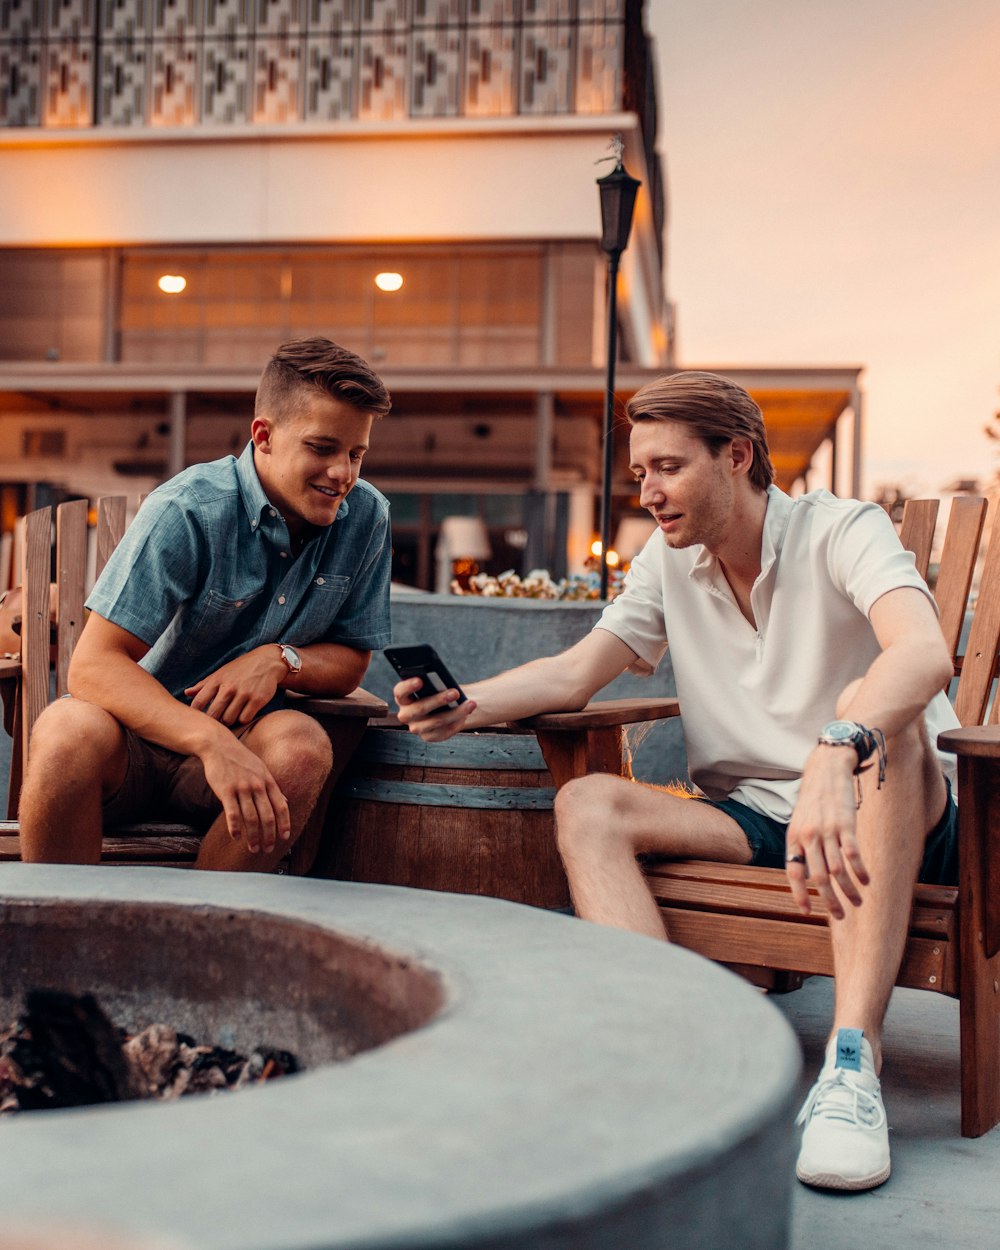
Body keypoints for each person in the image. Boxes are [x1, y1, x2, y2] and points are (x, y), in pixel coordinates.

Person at [393, 370, 959, 1193]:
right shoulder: (670, 559)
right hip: (760, 818)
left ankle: (850, 1067)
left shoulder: (842, 530)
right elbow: (575, 672)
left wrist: (837, 753)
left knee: (876, 717)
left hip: (901, 812)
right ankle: (668, 1055)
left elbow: (922, 652)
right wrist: (465, 703)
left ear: (738, 455)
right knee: (588, 803)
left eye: (666, 467)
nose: (648, 492)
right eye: (639, 475)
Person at [19, 337, 392, 872]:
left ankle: (205, 942)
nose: (343, 474)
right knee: (65, 731)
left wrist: (278, 659)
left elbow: (352, 659)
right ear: (263, 435)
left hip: (246, 759)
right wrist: (211, 742)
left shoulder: (365, 518)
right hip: (134, 742)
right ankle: (57, 945)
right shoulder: (190, 509)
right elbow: (94, 667)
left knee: (302, 747)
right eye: (322, 448)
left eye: (356, 453)